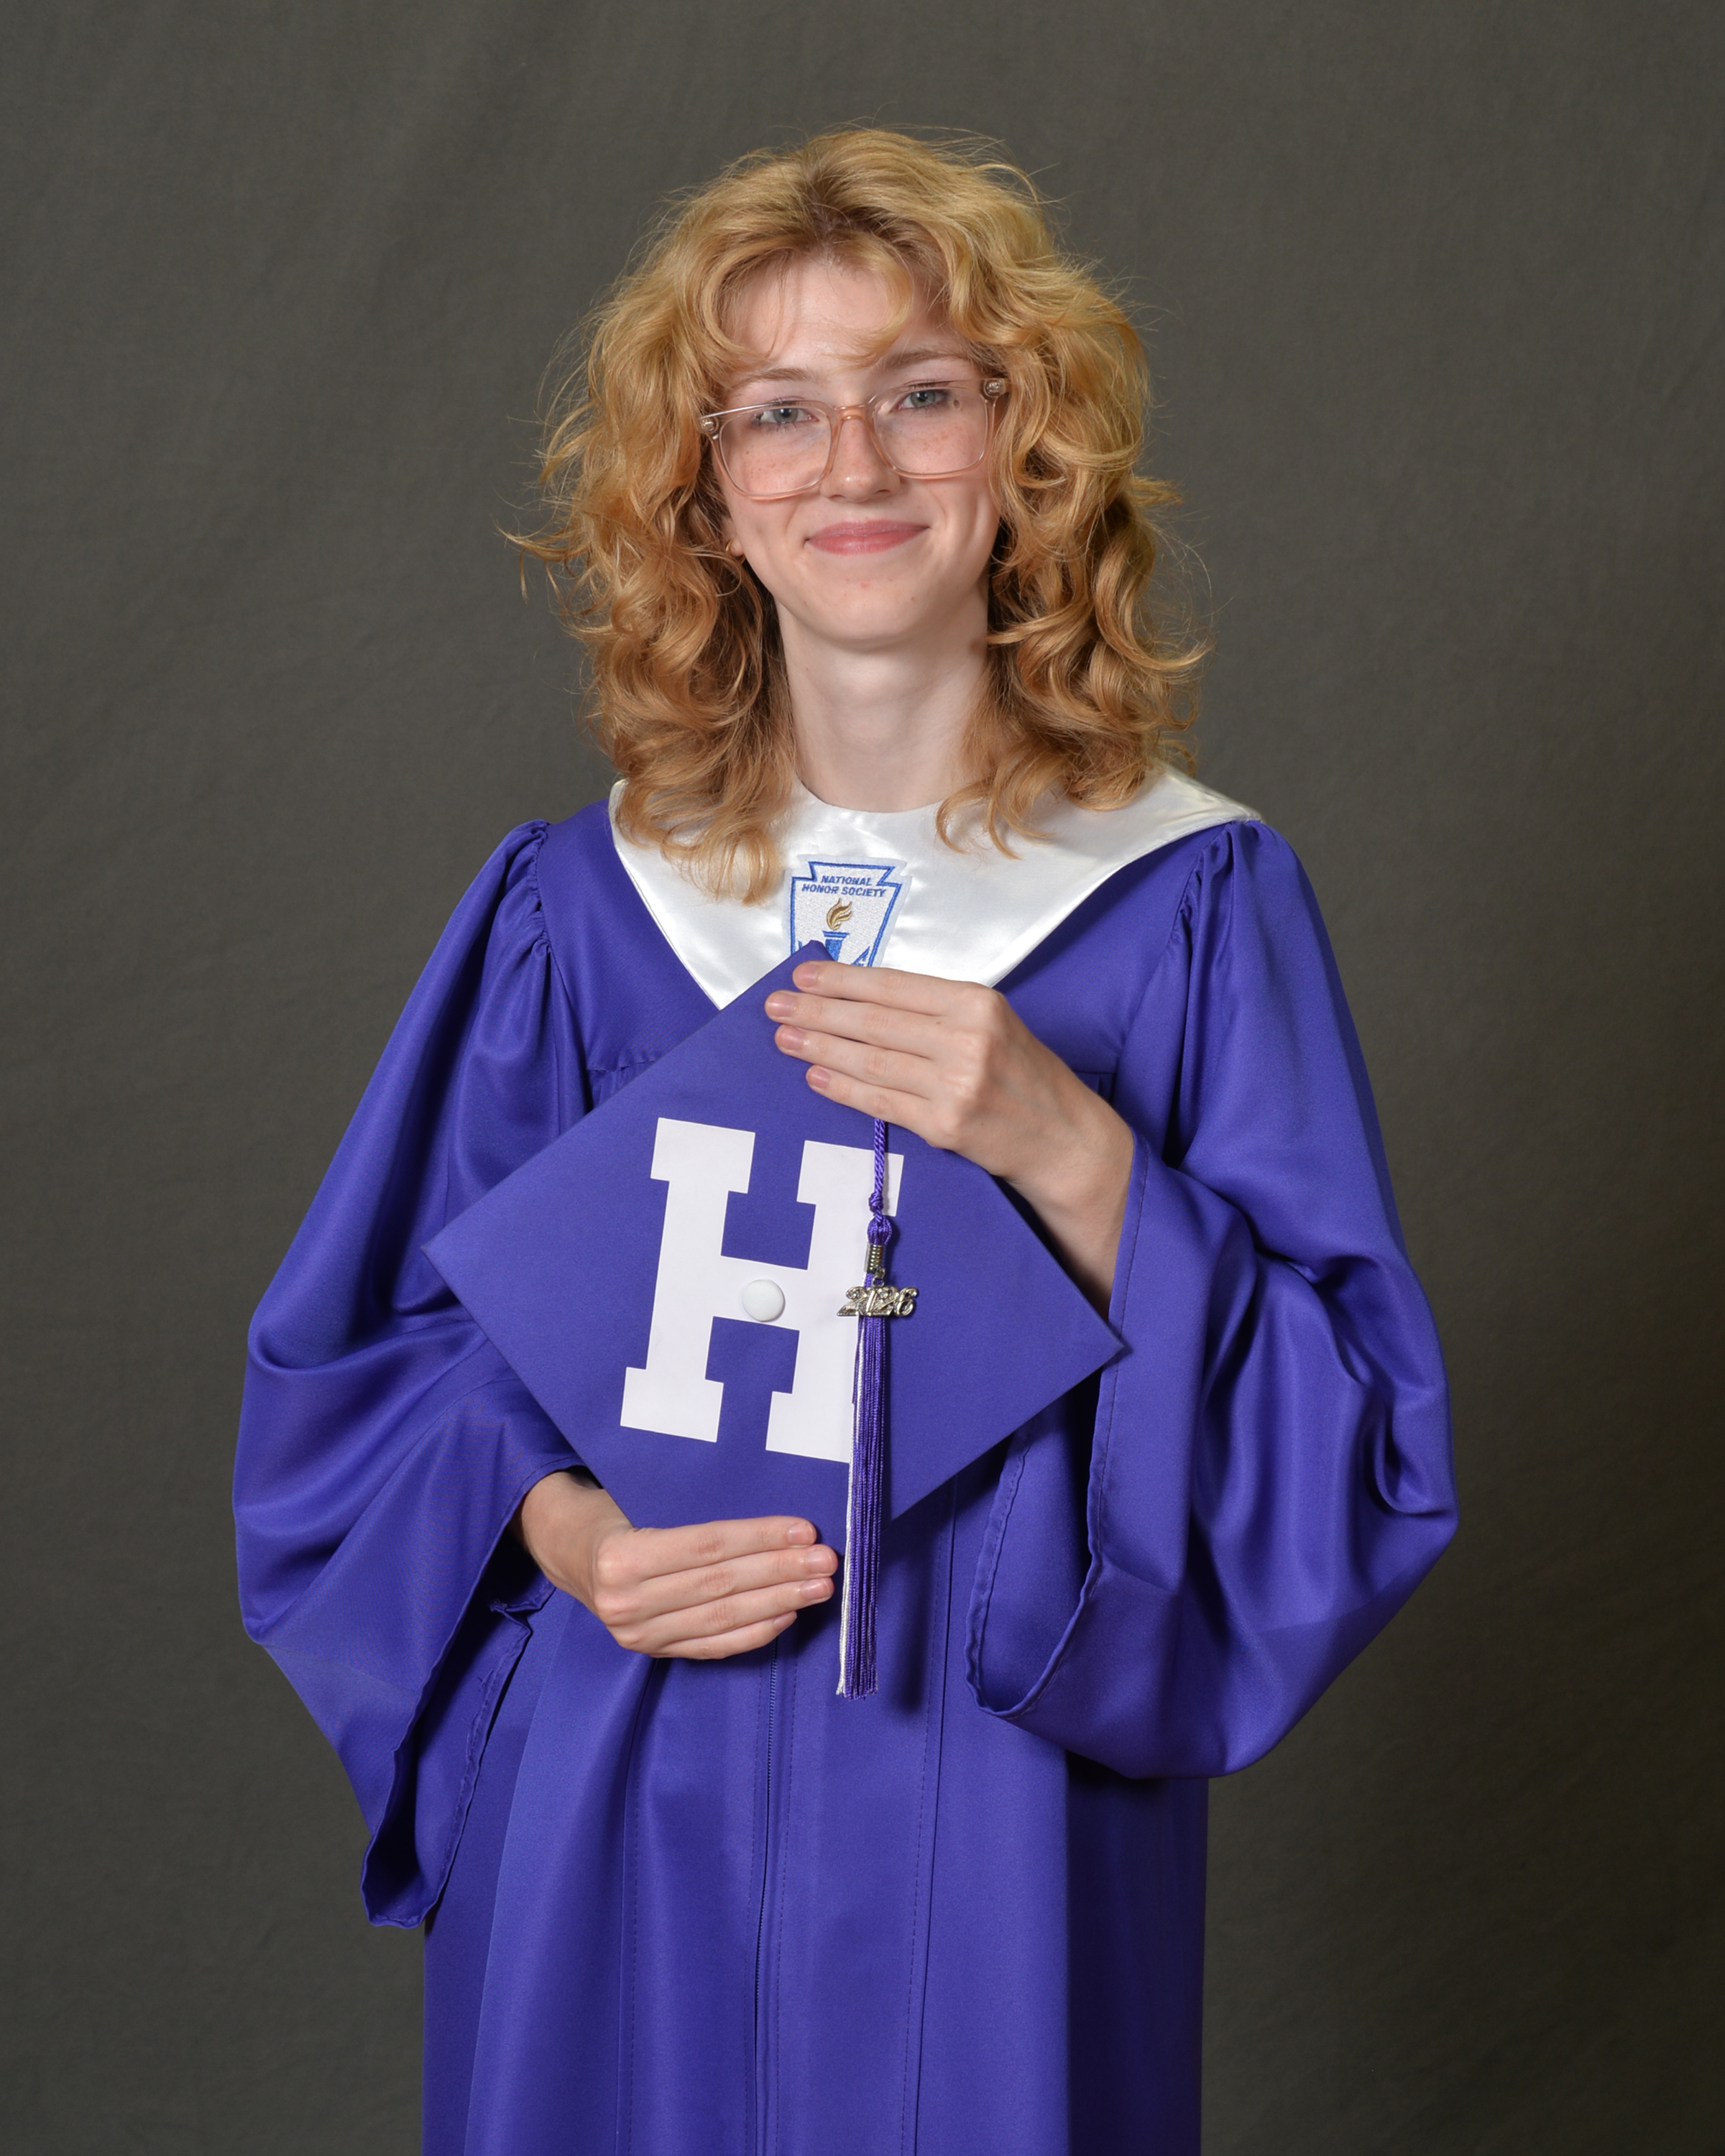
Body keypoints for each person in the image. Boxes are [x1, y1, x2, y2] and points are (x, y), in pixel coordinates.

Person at [234, 129, 1457, 2156]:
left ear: (1026, 450)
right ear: (707, 491)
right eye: (779, 412)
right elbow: (392, 1370)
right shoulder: (578, 911)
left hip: (1006, 1785)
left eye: (923, 392)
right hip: (626, 1778)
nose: (854, 464)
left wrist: (1071, 1148)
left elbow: (1357, 1434)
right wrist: (578, 1542)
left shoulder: (1189, 903)